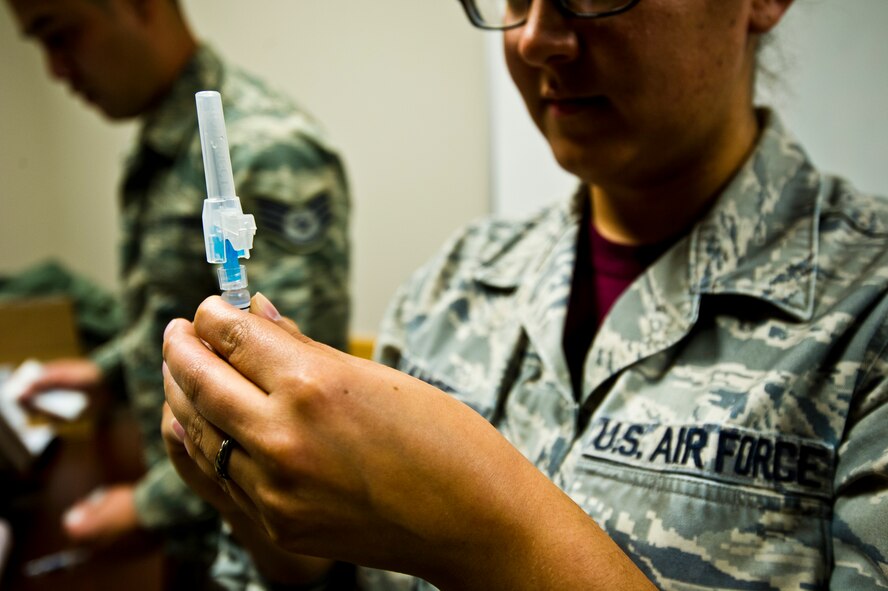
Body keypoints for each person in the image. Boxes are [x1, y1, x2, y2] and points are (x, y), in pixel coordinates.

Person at [162, 0, 888, 588]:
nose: (537, 37)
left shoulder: (867, 312)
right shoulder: (456, 285)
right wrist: (286, 534)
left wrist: (484, 535)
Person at [4, 0, 350, 582]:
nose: (55, 70)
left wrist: (146, 510)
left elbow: (285, 406)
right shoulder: (165, 144)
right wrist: (105, 374)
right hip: (198, 523)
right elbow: (171, 311)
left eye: (60, 35)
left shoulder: (267, 152)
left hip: (258, 554)